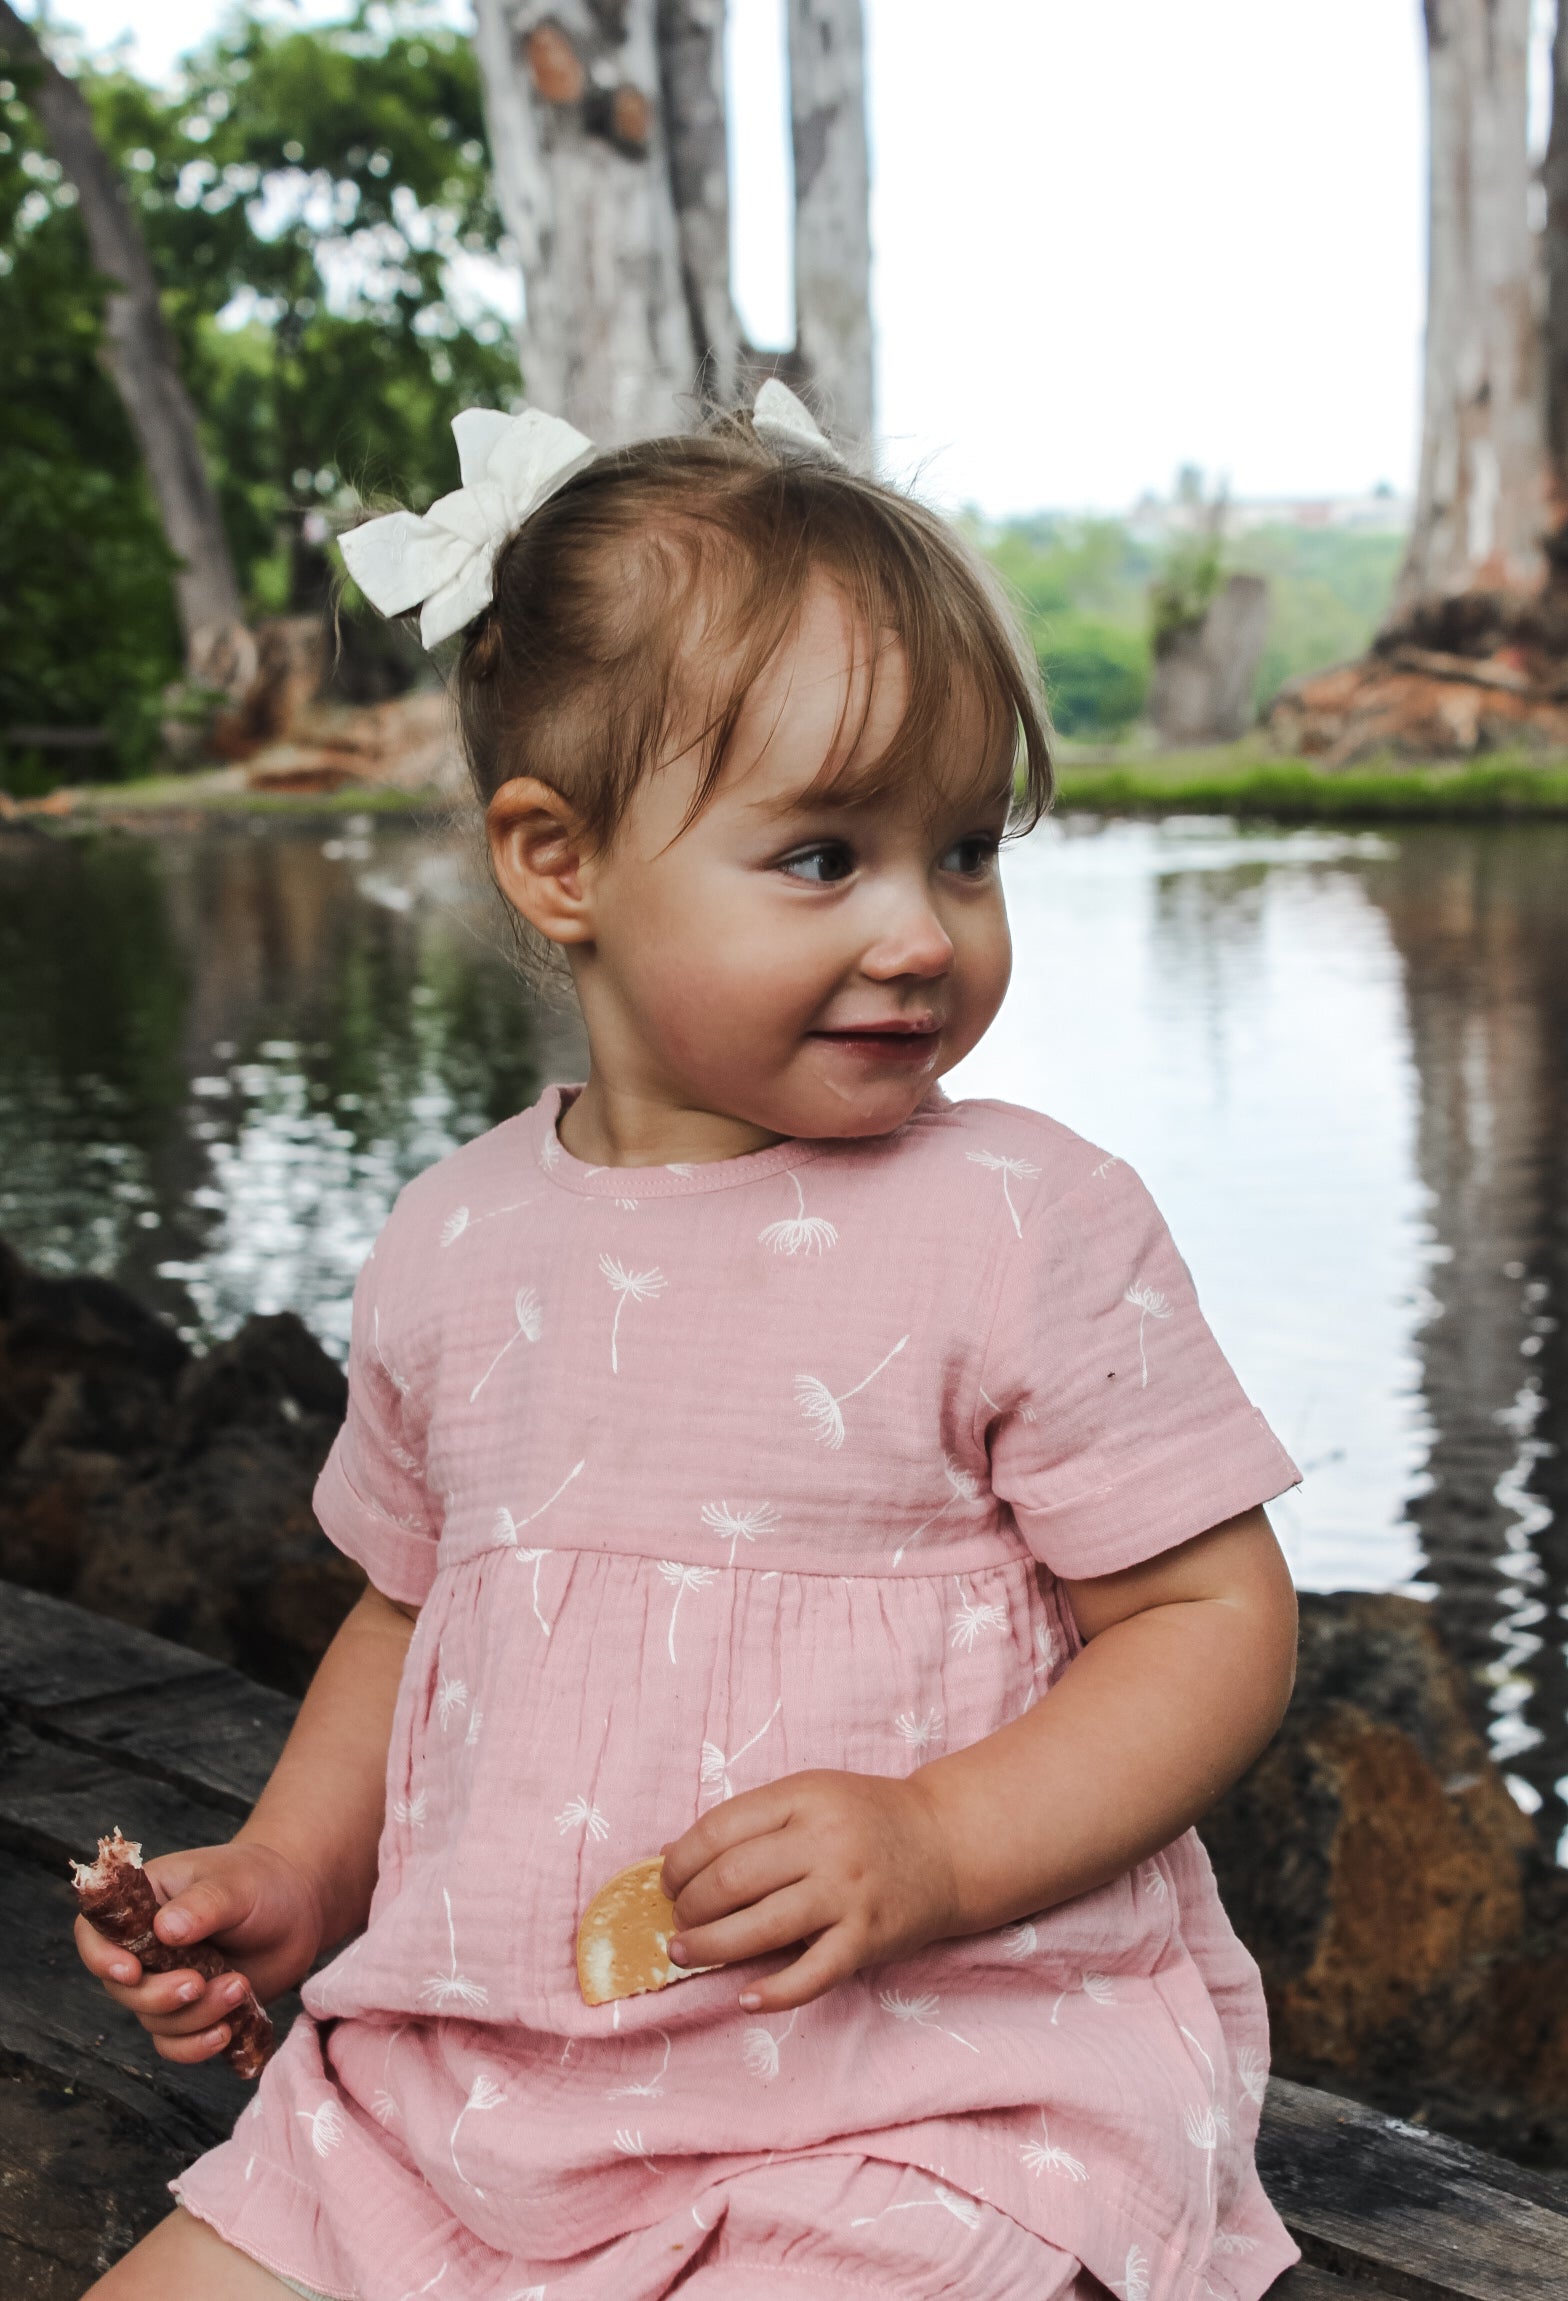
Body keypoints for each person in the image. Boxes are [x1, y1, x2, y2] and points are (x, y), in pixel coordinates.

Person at [78, 386, 1302, 2301]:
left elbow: (1213, 1619)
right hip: (477, 2080)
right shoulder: (455, 1239)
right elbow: (411, 1614)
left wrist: (939, 1840)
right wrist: (295, 1869)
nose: (923, 932)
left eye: (963, 850)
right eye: (823, 856)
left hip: (928, 2094)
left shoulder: (1025, 1220)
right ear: (558, 861)